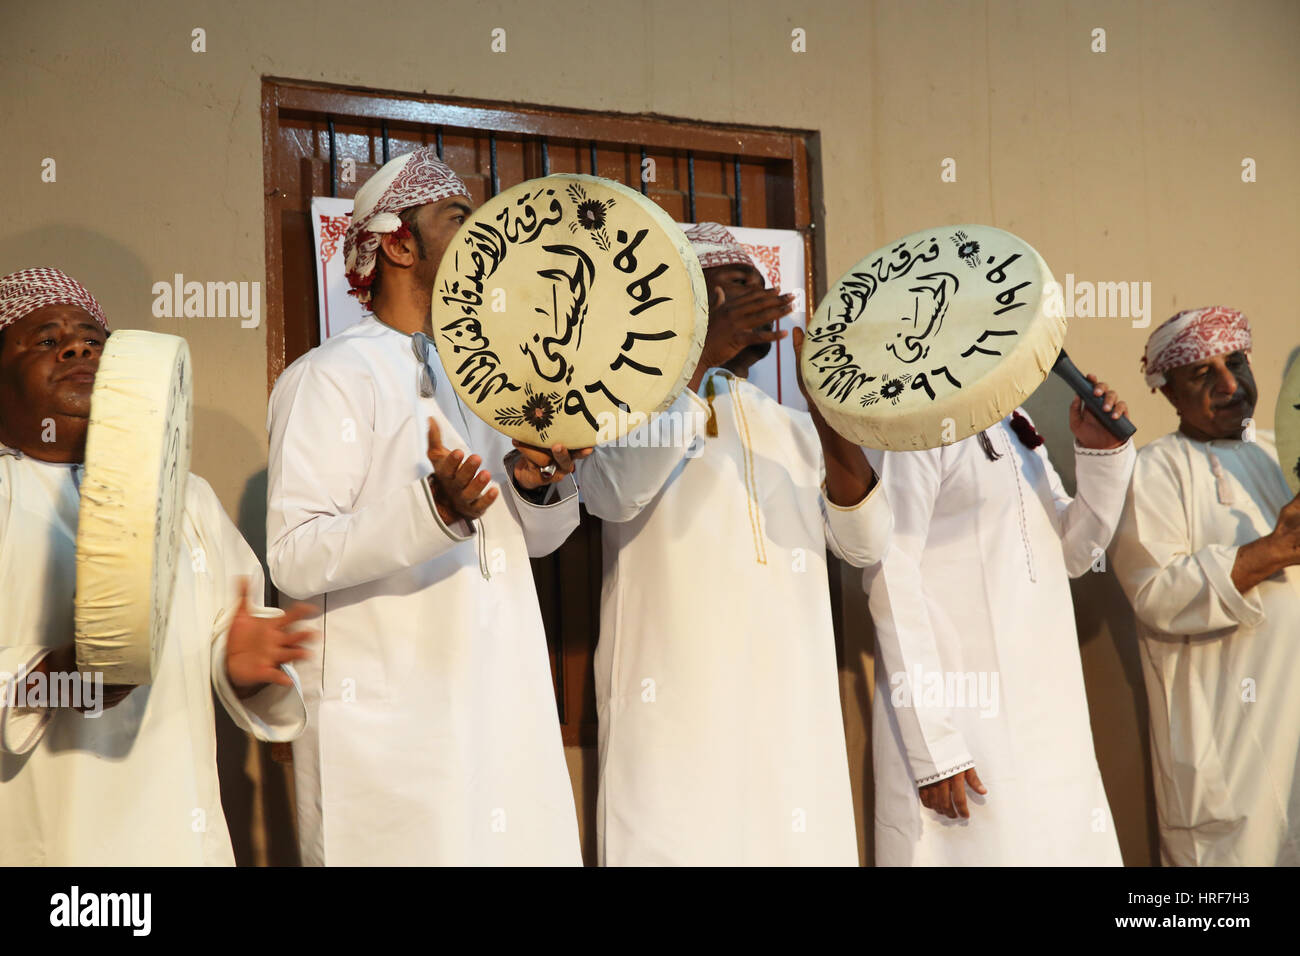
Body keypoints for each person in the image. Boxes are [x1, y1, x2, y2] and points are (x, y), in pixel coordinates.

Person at [267, 148, 586, 865]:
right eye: (459, 218)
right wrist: (433, 511)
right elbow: (293, 555)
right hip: (391, 735)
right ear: (399, 242)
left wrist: (538, 484)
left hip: (499, 709)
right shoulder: (326, 378)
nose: (482, 237)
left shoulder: (491, 379)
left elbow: (530, 544)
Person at [577, 223, 892, 865]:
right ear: (682, 305)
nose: (756, 298)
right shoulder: (623, 405)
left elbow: (865, 544)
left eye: (758, 286)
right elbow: (610, 496)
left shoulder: (797, 428)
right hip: (675, 711)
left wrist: (828, 415)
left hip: (789, 714)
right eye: (730, 289)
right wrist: (697, 360)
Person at [0, 267, 311, 865]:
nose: (77, 348)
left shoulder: (185, 496)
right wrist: (56, 678)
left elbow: (233, 630)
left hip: (175, 829)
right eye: (45, 340)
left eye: (95, 340)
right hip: (49, 837)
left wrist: (242, 665)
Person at [864, 359, 1135, 864]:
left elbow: (1071, 553)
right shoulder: (914, 416)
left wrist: (1102, 454)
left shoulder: (1008, 419)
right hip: (965, 728)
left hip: (1051, 721)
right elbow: (889, 576)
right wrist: (935, 749)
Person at [1110, 306, 1300, 866]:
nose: (1229, 384)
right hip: (1223, 742)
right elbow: (1155, 594)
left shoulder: (1282, 455)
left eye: (1236, 363)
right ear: (1168, 393)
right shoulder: (1155, 470)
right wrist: (1271, 551)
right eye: (1202, 374)